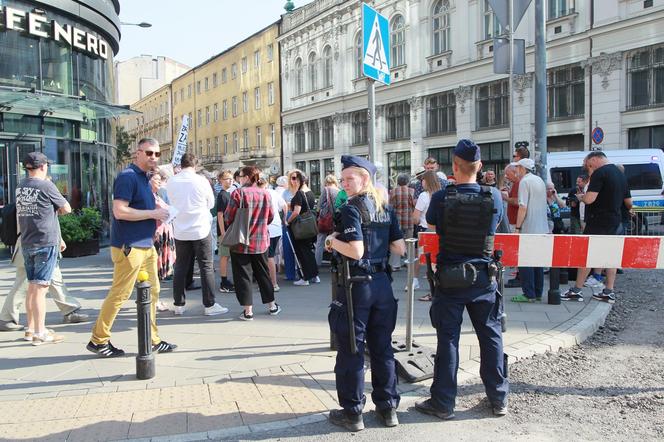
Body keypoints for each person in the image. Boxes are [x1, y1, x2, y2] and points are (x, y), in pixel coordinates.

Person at [415, 139, 508, 419]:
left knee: (448, 341)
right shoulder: (493, 197)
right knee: (491, 337)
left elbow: (431, 223)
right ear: (479, 167)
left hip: (450, 279)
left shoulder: (443, 196)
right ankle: (498, 399)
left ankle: (443, 404)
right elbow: (497, 222)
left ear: (455, 166)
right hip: (483, 278)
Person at [324, 155, 406, 431]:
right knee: (382, 347)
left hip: (357, 286)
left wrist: (332, 241)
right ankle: (388, 408)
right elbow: (400, 248)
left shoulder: (351, 208)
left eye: (350, 178)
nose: (345, 183)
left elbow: (356, 251)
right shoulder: (385, 208)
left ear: (365, 179)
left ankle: (353, 413)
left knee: (353, 349)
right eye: (343, 178)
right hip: (383, 284)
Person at [87, 138, 176, 357]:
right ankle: (98, 340)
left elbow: (138, 207)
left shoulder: (145, 179)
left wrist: (154, 207)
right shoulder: (127, 177)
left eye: (156, 154)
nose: (153, 157)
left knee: (153, 293)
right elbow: (119, 211)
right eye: (148, 153)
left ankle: (153, 340)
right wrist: (153, 214)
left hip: (145, 245)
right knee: (120, 294)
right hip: (130, 246)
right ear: (138, 153)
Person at [15, 152, 72, 345]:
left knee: (32, 286)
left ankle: (31, 329)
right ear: (43, 166)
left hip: (28, 241)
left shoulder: (21, 186)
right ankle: (40, 332)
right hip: (44, 241)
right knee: (40, 289)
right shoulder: (46, 185)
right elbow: (67, 208)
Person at [562, 152, 631, 304]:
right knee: (611, 257)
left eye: (588, 164)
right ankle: (608, 291)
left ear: (595, 159)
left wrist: (581, 197)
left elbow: (589, 199)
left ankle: (576, 290)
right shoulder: (620, 175)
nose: (588, 168)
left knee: (587, 255)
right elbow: (629, 203)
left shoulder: (600, 173)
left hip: (598, 221)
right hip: (615, 220)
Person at [166, 153, 228, 316]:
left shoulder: (172, 181)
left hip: (180, 229)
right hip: (200, 228)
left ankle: (179, 304)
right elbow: (211, 203)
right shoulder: (201, 181)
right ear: (195, 165)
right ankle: (209, 305)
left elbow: (171, 202)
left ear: (181, 164)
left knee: (180, 266)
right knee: (206, 266)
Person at [0, 234, 89, 332]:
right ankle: (7, 318)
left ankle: (69, 310)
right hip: (35, 241)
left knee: (55, 277)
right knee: (23, 282)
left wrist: (58, 238)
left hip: (43, 240)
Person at [225, 166, 281, 320]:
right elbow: (270, 217)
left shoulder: (238, 193)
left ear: (248, 177)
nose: (239, 178)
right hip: (260, 240)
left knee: (243, 275)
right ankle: (272, 306)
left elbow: (228, 216)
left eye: (241, 176)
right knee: (263, 274)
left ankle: (248, 311)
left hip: (240, 241)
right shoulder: (265, 194)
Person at [511, 158, 549, 303]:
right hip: (541, 227)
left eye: (517, 168)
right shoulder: (539, 180)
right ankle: (538, 292)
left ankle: (528, 294)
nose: (516, 170)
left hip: (529, 227)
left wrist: (518, 227)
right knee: (538, 261)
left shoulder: (524, 182)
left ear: (522, 168)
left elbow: (523, 206)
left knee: (525, 260)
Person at [285, 170, 319, 286]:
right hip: (309, 225)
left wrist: (287, 221)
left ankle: (305, 277)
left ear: (300, 180)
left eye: (295, 178)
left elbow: (296, 212)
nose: (292, 181)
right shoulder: (310, 192)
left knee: (301, 252)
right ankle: (314, 275)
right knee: (308, 251)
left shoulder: (300, 193)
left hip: (300, 226)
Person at [411, 171, 442, 299]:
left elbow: (416, 217)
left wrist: (415, 220)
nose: (421, 182)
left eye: (423, 180)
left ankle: (414, 281)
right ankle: (438, 285)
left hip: (425, 229)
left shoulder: (424, 196)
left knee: (418, 256)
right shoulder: (441, 194)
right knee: (436, 259)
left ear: (427, 181)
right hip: (439, 230)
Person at [150, 171, 175, 312]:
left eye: (160, 179)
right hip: (156, 236)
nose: (159, 182)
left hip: (163, 236)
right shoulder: (149, 196)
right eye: (156, 179)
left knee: (156, 271)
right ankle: (153, 300)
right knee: (154, 270)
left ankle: (154, 299)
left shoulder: (157, 194)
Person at [258, 175, 288, 291]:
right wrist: (284, 219)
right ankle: (272, 282)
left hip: (267, 228)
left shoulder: (261, 194)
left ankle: (273, 283)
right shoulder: (273, 192)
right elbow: (284, 205)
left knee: (268, 256)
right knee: (271, 255)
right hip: (276, 227)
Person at [388, 173, 414, 271]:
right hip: (409, 220)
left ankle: (395, 264)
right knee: (409, 242)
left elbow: (390, 206)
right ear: (407, 181)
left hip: (397, 220)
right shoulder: (412, 191)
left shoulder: (393, 191)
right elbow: (414, 206)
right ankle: (410, 263)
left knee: (396, 241)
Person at [216, 170, 236, 293]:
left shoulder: (229, 194)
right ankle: (223, 282)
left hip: (230, 230)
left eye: (231, 178)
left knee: (228, 256)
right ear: (221, 181)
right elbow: (220, 215)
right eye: (227, 179)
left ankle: (226, 280)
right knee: (224, 256)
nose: (230, 180)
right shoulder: (222, 195)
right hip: (225, 231)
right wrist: (223, 233)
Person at [315, 175, 340, 266]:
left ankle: (316, 264)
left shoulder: (326, 190)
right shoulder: (340, 191)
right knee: (335, 240)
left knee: (320, 242)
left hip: (325, 220)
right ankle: (336, 263)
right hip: (336, 220)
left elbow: (319, 205)